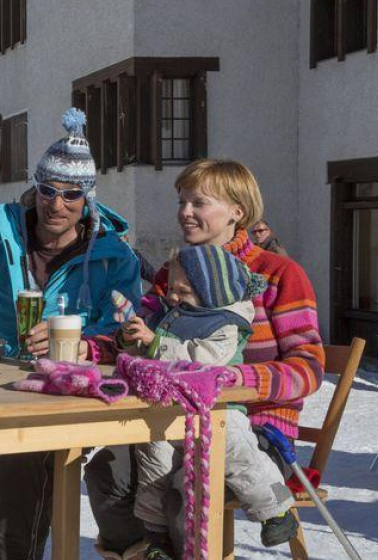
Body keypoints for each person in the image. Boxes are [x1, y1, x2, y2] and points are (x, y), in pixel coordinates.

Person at [85, 159, 325, 560]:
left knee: (186, 489)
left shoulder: (278, 274)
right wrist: (89, 349)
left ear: (238, 210)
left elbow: (309, 368)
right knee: (106, 470)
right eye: (182, 202)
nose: (185, 212)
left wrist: (230, 378)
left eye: (199, 202)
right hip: (170, 420)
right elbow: (140, 334)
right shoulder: (171, 273)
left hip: (251, 435)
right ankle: (142, 553)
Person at [0, 108, 142, 560]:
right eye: (47, 190)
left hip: (68, 393)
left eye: (71, 194)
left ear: (88, 198)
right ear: (34, 189)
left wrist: (81, 343)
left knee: (27, 459)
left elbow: (125, 327)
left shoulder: (115, 258)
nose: (56, 204)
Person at [117, 245, 296, 560]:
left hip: (219, 412)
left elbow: (205, 360)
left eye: (183, 291)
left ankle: (278, 509)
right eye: (171, 288)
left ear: (211, 292)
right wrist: (131, 340)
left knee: (240, 453)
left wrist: (155, 342)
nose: (172, 296)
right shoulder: (173, 314)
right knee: (152, 457)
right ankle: (155, 535)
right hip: (172, 412)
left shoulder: (226, 323)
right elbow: (148, 353)